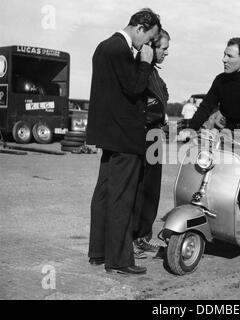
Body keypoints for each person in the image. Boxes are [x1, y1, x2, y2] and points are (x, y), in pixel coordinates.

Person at [178, 37, 240, 269]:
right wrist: (190, 129)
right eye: (224, 54)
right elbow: (206, 107)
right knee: (209, 177)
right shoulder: (220, 81)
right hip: (227, 136)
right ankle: (212, 224)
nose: (223, 59)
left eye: (229, 56)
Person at [86, 9, 161, 276]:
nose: (147, 45)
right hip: (125, 137)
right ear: (140, 27)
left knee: (105, 193)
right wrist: (146, 63)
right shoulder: (121, 49)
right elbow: (134, 89)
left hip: (108, 135)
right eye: (149, 38)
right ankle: (119, 260)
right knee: (122, 198)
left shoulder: (104, 46)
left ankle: (99, 252)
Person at [133, 29, 171, 256]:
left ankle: (143, 236)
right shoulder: (142, 71)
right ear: (152, 47)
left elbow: (161, 101)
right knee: (141, 188)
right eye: (164, 48)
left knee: (152, 189)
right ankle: (136, 239)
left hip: (155, 136)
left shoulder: (156, 75)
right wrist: (160, 116)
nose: (167, 53)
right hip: (146, 134)